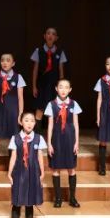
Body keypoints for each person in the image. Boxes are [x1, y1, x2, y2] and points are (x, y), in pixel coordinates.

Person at [7, 113, 46, 218]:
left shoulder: (38, 138)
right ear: (21, 122)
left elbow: (40, 156)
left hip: (33, 173)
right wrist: (9, 172)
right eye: (26, 120)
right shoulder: (15, 138)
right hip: (19, 173)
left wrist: (42, 172)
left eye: (32, 121)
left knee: (30, 203)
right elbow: (13, 156)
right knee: (17, 202)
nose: (29, 123)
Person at [0, 53, 25, 177]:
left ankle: (12, 167)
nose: (5, 62)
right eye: (2, 60)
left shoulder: (18, 77)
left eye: (8, 60)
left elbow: (20, 97)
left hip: (13, 112)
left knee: (13, 139)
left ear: (13, 63)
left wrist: (20, 115)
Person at [45, 79, 81, 208]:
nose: (63, 90)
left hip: (70, 140)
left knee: (71, 169)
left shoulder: (74, 104)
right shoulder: (51, 104)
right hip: (57, 140)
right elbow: (50, 126)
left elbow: (76, 124)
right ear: (56, 88)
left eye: (66, 87)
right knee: (56, 169)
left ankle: (72, 198)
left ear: (70, 90)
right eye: (61, 87)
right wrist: (49, 144)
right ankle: (58, 198)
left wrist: (77, 142)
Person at [30, 27, 67, 118]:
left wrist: (61, 88)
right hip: (41, 85)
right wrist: (34, 86)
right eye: (48, 33)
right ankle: (37, 127)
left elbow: (61, 71)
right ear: (44, 36)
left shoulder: (60, 52)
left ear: (56, 38)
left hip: (54, 85)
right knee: (40, 108)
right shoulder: (38, 51)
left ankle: (53, 127)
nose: (50, 35)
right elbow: (35, 70)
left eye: (53, 34)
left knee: (54, 109)